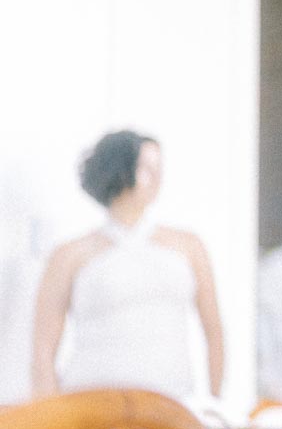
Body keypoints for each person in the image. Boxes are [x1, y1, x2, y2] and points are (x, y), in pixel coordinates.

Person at [31, 130, 224, 401]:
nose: (156, 178)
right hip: (92, 403)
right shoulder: (69, 255)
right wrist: (53, 416)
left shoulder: (188, 246)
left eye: (158, 168)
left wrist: (214, 404)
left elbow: (214, 333)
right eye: (145, 168)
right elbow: (43, 348)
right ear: (118, 170)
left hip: (171, 404)